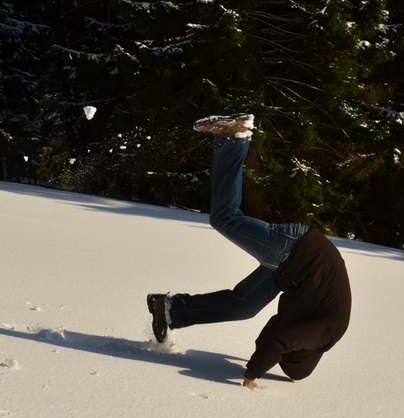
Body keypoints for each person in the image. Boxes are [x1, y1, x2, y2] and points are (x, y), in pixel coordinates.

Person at [147, 113, 352, 389]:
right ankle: (232, 137)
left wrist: (262, 355)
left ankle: (170, 310)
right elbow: (279, 343)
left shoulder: (310, 334)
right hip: (299, 252)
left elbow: (271, 337)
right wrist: (253, 374)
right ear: (302, 356)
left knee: (244, 306)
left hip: (292, 268)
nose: (283, 356)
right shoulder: (325, 335)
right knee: (225, 217)